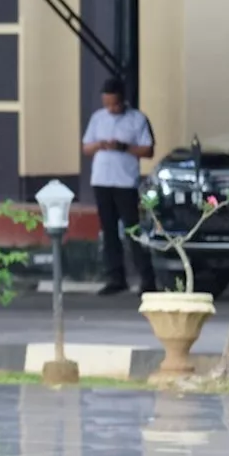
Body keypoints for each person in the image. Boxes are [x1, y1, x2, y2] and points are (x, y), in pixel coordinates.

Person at [82, 77, 155, 295]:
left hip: (125, 182)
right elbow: (86, 148)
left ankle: (147, 279)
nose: (111, 108)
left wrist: (123, 147)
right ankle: (115, 277)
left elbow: (148, 150)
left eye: (114, 104)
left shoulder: (137, 119)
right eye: (107, 104)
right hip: (101, 180)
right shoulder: (97, 118)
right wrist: (100, 145)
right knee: (109, 231)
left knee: (133, 230)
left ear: (123, 100)